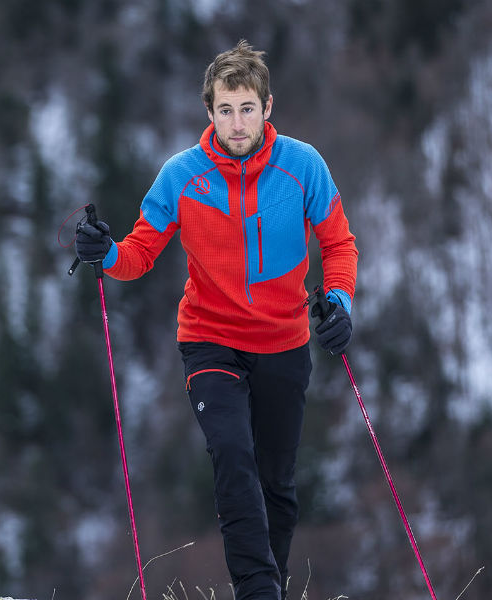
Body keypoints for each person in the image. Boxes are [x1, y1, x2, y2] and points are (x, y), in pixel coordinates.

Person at [75, 40, 358, 600]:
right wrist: (102, 252)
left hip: (284, 341)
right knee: (233, 455)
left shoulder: (303, 166)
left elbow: (339, 244)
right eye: (225, 110)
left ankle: (268, 586)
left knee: (277, 483)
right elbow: (137, 254)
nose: (236, 122)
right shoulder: (182, 175)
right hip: (209, 339)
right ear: (209, 113)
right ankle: (257, 591)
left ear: (267, 107)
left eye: (246, 108)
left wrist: (340, 303)